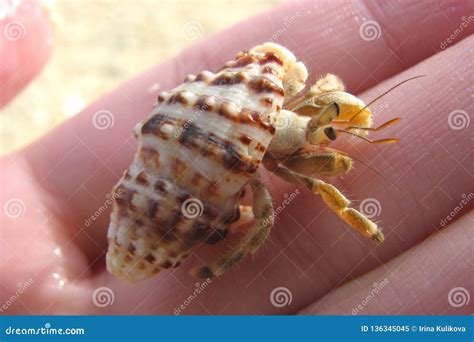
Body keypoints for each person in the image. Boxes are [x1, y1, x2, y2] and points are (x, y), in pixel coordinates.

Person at [1, 0, 472, 315]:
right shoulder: (277, 145)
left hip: (219, 159)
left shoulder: (286, 117)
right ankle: (221, 266)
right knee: (266, 217)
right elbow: (314, 174)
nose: (324, 139)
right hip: (202, 179)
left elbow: (314, 98)